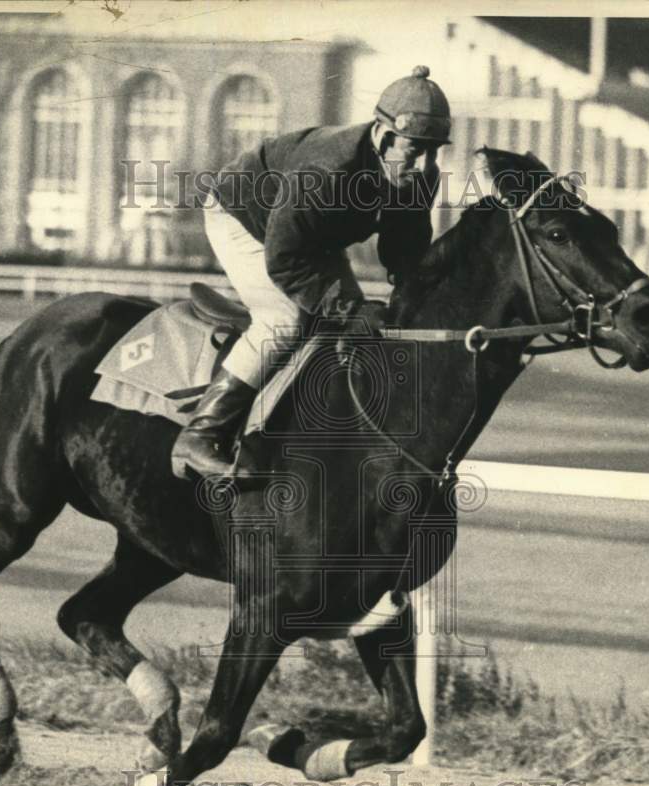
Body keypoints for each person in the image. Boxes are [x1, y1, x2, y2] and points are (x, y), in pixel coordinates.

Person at [172, 65, 452, 479]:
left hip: (308, 234)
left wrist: (415, 301)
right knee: (285, 320)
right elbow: (286, 257)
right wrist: (353, 309)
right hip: (246, 217)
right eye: (415, 149)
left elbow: (405, 246)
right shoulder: (325, 170)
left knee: (348, 323)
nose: (425, 162)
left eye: (434, 149)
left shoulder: (416, 169)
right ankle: (199, 436)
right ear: (384, 135)